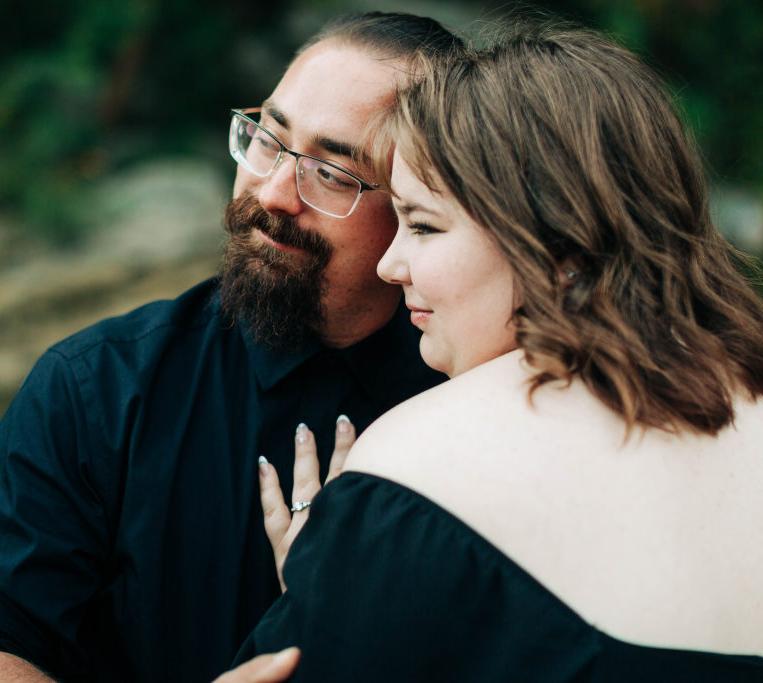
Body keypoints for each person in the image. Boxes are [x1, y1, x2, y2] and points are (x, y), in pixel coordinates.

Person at [0, 12, 458, 683]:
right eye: (268, 139)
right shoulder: (96, 386)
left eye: (331, 171)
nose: (272, 191)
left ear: (419, 201)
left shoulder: (481, 402)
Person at [235, 21, 763, 681]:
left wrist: (333, 591)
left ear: (559, 246)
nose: (393, 263)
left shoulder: (415, 467)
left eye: (423, 224)